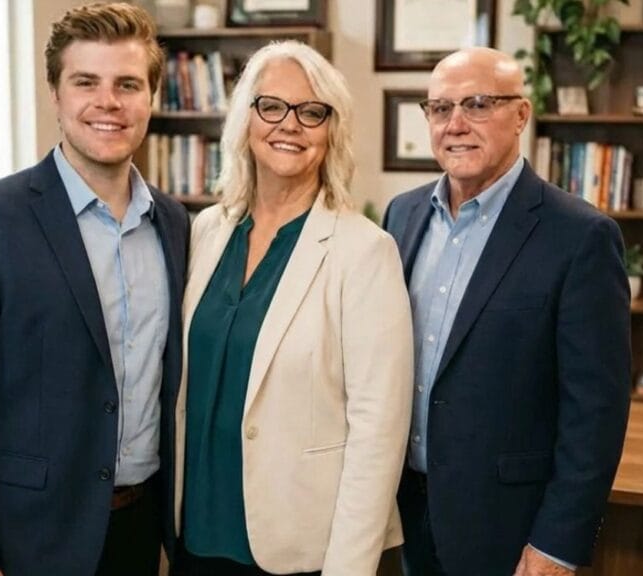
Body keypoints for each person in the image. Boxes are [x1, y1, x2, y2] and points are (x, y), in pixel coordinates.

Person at [0, 4, 188, 576]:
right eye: (85, 81)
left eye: (128, 84)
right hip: (25, 539)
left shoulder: (176, 224)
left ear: (152, 97)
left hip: (139, 529)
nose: (107, 102)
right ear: (55, 94)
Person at [383, 47, 631, 576]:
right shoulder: (400, 216)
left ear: (521, 115)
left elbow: (597, 413)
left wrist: (558, 544)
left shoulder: (581, 236)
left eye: (477, 104)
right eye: (439, 108)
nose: (455, 125)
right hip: (405, 512)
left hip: (510, 527)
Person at [170, 41, 413, 576]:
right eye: (272, 106)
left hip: (305, 547)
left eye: (312, 112)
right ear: (245, 119)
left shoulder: (365, 251)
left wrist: (348, 568)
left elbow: (379, 431)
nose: (290, 125)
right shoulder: (207, 231)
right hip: (196, 535)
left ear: (332, 131)